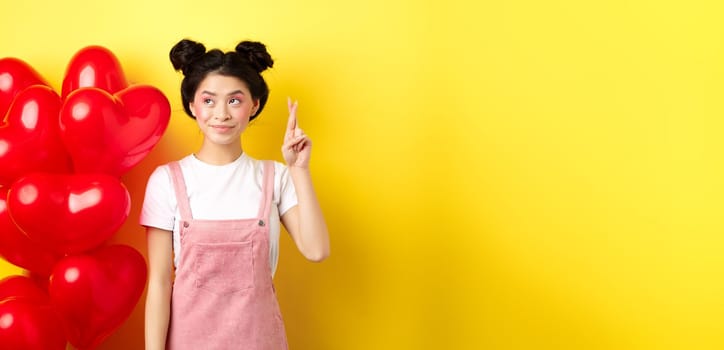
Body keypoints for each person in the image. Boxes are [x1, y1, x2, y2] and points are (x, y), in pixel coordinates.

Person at [141, 38, 330, 350]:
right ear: (192, 105)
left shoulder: (276, 177)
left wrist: (299, 169)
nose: (221, 114)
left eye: (234, 101)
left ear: (254, 105)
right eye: (209, 100)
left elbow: (316, 250)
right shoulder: (167, 181)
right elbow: (160, 284)